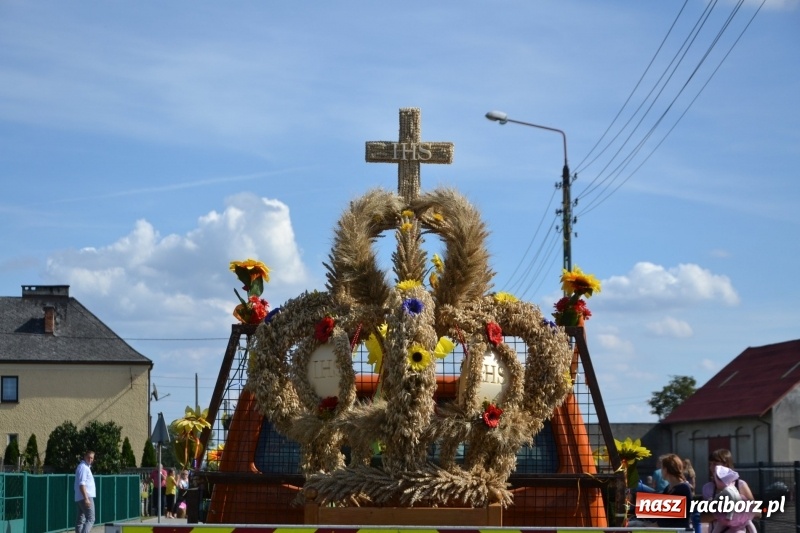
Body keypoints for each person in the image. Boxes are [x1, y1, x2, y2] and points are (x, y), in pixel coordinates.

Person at [702, 449, 757, 533]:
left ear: (726, 465)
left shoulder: (740, 485)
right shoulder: (708, 488)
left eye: (715, 464)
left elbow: (757, 512)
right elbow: (703, 517)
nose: (711, 467)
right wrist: (720, 515)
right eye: (710, 464)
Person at [655, 454, 693, 530]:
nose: (660, 471)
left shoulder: (683, 488)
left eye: (662, 468)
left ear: (666, 469)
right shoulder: (668, 488)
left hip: (680, 530)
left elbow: (670, 517)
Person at [74, 451, 96, 533]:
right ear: (84, 457)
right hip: (86, 496)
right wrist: (86, 498)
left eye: (92, 458)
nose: (90, 459)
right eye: (89, 457)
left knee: (80, 519)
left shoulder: (83, 467)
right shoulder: (84, 468)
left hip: (80, 497)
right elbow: (82, 484)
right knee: (91, 518)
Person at [684, 458, 701, 532]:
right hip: (692, 494)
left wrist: (686, 483)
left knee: (691, 514)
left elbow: (692, 485)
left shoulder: (689, 472)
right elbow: (694, 485)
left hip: (688, 494)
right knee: (694, 515)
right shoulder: (692, 472)